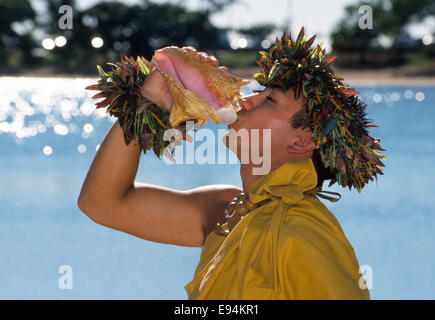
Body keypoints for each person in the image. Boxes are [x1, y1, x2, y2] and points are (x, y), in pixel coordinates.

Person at [78, 27, 385, 299]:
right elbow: (102, 202)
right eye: (260, 92)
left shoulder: (303, 231)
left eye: (270, 100)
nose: (248, 100)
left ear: (302, 142)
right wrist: (149, 102)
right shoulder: (229, 210)